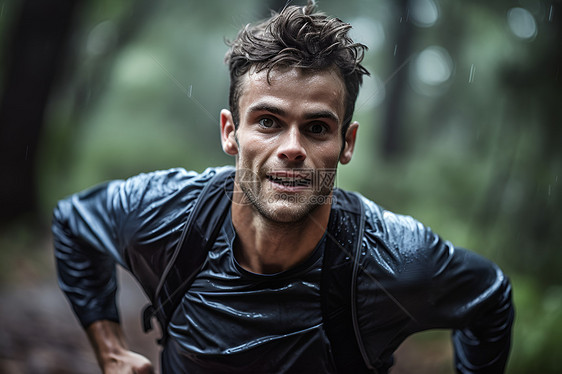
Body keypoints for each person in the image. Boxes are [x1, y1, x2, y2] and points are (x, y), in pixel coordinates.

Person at [52, 2, 514, 373]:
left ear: (346, 142)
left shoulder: (394, 258)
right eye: (269, 122)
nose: (292, 147)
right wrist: (110, 349)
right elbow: (72, 223)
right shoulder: (167, 213)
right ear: (230, 132)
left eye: (316, 128)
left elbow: (491, 298)